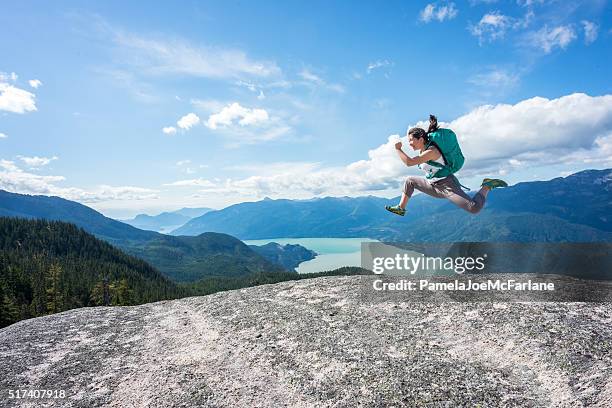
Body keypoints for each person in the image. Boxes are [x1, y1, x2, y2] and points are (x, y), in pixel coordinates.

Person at [385, 115, 507, 216]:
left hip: (447, 186)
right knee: (409, 181)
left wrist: (398, 149)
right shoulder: (423, 151)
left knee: (473, 208)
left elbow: (409, 162)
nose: (410, 143)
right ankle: (401, 208)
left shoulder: (432, 151)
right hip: (432, 185)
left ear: (421, 138)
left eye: (411, 140)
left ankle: (486, 186)